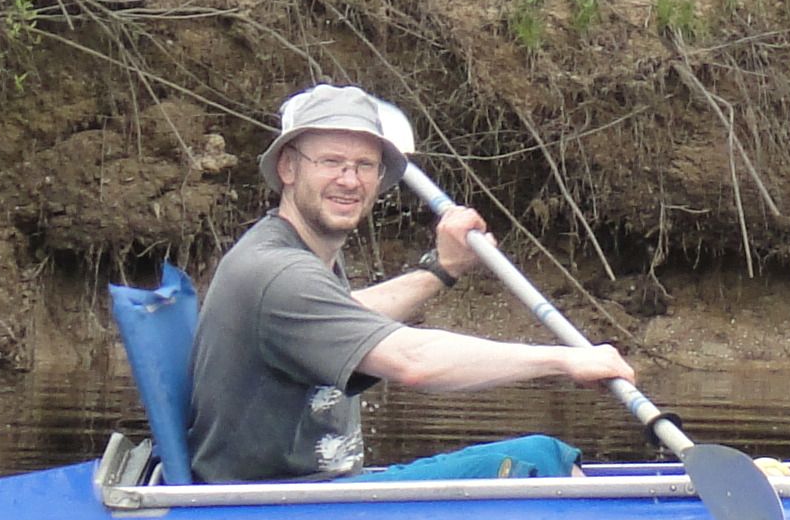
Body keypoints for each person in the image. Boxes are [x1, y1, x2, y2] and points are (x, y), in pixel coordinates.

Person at [185, 84, 631, 485]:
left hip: (317, 497)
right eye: (331, 162)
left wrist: (441, 270)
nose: (349, 180)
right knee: (540, 459)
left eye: (364, 165)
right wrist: (565, 360)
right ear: (287, 167)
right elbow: (413, 361)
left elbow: (347, 313)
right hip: (275, 513)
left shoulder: (297, 255)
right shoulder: (279, 273)